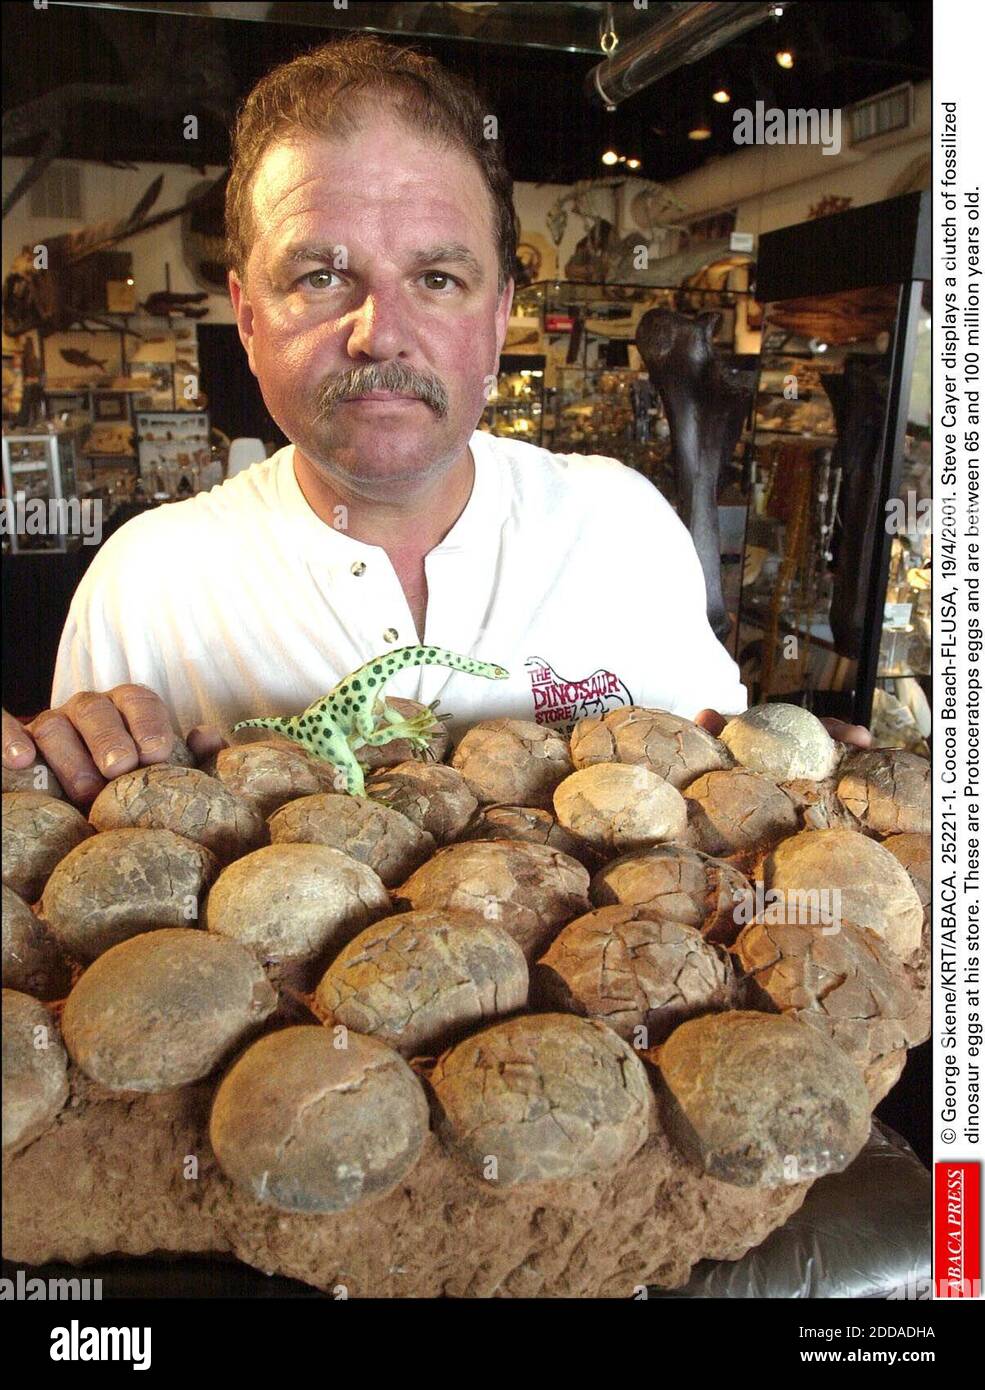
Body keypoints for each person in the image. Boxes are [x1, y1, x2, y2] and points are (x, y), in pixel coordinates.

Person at [1, 36, 869, 809]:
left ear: (498, 317)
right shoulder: (145, 582)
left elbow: (723, 788)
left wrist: (800, 784)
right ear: (249, 318)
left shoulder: (621, 524)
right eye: (319, 277)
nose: (379, 332)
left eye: (437, 279)